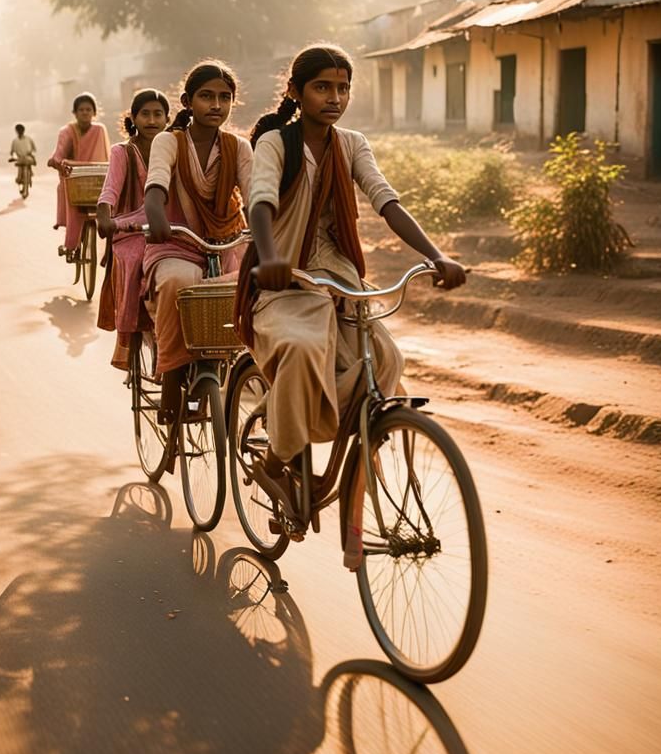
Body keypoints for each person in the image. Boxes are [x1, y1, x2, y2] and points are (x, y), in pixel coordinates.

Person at [235, 44, 466, 561]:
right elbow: (261, 202)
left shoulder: (353, 144)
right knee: (300, 348)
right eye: (323, 87)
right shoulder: (276, 142)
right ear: (296, 91)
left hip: (337, 276)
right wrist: (269, 259)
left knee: (384, 359)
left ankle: (342, 452)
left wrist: (436, 255)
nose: (335, 97)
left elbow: (388, 202)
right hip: (282, 278)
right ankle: (275, 462)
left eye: (343, 88)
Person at [144, 61, 253, 421]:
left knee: (256, 288)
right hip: (176, 241)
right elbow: (156, 183)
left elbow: (255, 198)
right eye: (207, 96)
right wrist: (156, 216)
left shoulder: (238, 148)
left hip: (226, 243)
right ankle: (173, 380)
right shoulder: (168, 141)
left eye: (225, 97)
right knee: (180, 282)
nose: (216, 105)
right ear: (188, 101)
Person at [96, 89, 171, 368]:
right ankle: (131, 338)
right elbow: (110, 190)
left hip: (170, 228)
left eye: (158, 114)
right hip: (132, 230)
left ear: (167, 119)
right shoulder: (122, 152)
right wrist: (104, 216)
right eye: (145, 114)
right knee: (135, 259)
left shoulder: (175, 146)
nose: (152, 120)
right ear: (134, 118)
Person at [47, 93, 111, 256]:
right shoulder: (67, 131)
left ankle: (112, 250)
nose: (85, 113)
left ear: (94, 112)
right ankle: (71, 245)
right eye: (81, 110)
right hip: (75, 178)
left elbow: (105, 156)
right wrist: (57, 161)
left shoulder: (99, 130)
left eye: (88, 109)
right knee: (73, 203)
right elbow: (59, 153)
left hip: (96, 177)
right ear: (74, 113)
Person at [9, 123, 37, 190]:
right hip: (20, 158)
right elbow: (12, 152)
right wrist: (13, 157)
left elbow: (34, 149)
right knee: (20, 167)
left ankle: (30, 173)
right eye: (18, 130)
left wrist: (31, 154)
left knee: (29, 161)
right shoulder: (15, 141)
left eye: (21, 130)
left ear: (23, 130)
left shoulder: (29, 139)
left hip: (28, 157)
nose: (20, 131)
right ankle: (20, 179)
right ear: (16, 131)